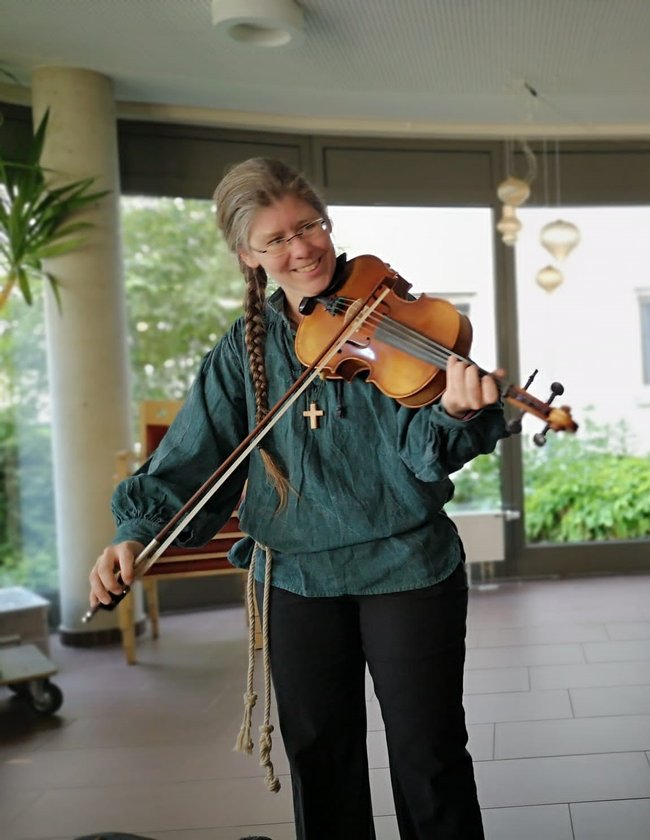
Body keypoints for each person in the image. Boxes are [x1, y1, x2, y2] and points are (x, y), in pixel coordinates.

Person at [89, 157, 509, 839]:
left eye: (308, 225)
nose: (302, 247)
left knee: (426, 754)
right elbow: (193, 457)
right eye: (276, 239)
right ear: (248, 257)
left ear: (327, 222)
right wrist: (135, 533)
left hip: (405, 565)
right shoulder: (242, 351)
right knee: (320, 757)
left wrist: (457, 415)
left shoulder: (392, 320)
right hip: (296, 575)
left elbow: (420, 450)